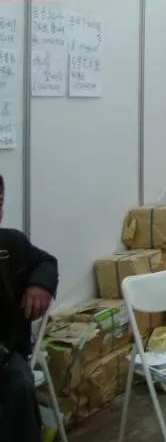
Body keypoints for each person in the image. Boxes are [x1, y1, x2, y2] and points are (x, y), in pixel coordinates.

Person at [0, 175, 59, 442]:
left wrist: (39, 285)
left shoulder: (11, 243)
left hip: (6, 351)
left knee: (20, 385)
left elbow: (46, 262)